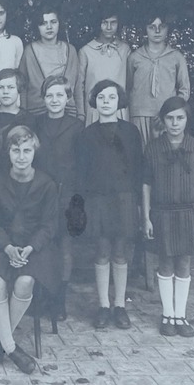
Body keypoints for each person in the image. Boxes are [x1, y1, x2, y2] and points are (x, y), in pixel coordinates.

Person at [0, 125, 58, 375]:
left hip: (35, 247)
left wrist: (30, 248)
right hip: (3, 244)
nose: (21, 156)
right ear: (8, 153)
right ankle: (12, 348)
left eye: (27, 150)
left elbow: (50, 224)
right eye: (15, 150)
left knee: (25, 282)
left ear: (34, 151)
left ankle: (0, 344)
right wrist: (8, 246)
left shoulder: (46, 183)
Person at [75, 79, 145, 330]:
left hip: (124, 198)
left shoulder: (130, 132)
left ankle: (120, 306)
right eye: (101, 98)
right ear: (95, 102)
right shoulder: (87, 134)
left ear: (119, 101)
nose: (106, 102)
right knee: (102, 251)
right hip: (98, 199)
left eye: (111, 98)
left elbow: (138, 169)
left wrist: (138, 203)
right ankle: (103, 306)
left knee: (120, 252)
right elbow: (81, 174)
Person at [143, 96, 194, 338]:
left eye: (180, 118)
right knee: (165, 262)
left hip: (188, 213)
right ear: (163, 120)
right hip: (162, 213)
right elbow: (146, 184)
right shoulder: (153, 148)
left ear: (186, 119)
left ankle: (181, 315)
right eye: (170, 118)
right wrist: (147, 217)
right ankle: (167, 314)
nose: (175, 123)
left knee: (184, 262)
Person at [33, 74, 83, 318]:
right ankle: (40, 297)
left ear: (68, 98)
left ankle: (59, 301)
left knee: (64, 247)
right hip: (40, 195)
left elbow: (81, 164)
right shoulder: (36, 124)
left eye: (59, 95)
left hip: (67, 196)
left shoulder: (76, 126)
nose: (54, 100)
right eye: (49, 95)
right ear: (43, 98)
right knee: (42, 244)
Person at [127, 13, 190, 147]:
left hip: (165, 116)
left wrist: (171, 112)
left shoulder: (176, 57)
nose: (157, 31)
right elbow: (128, 87)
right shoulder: (135, 57)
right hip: (139, 115)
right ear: (145, 29)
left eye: (161, 26)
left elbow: (184, 89)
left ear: (167, 29)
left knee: (164, 156)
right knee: (140, 155)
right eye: (152, 27)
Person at [18, 5, 82, 119]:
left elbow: (77, 86)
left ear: (59, 24)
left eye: (53, 22)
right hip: (37, 114)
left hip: (68, 113)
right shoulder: (29, 51)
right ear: (37, 27)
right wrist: (23, 114)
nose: (49, 27)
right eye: (43, 23)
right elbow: (22, 87)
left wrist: (81, 114)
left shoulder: (70, 50)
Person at [77, 8, 131, 126]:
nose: (109, 27)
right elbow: (79, 85)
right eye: (104, 22)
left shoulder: (124, 50)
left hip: (118, 109)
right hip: (94, 109)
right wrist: (81, 112)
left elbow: (130, 83)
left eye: (113, 23)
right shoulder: (86, 51)